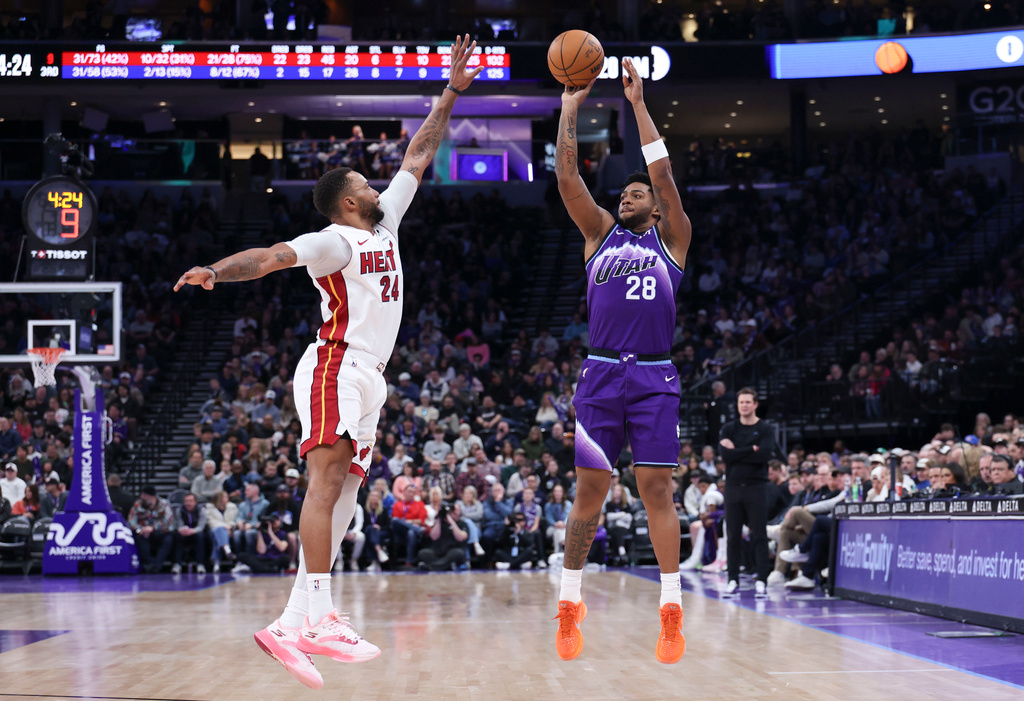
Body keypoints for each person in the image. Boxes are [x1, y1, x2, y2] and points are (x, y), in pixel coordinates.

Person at [176, 34, 485, 690]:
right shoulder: (332, 240)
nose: (378, 186)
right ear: (348, 200)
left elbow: (419, 154)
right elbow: (269, 258)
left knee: (347, 490)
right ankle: (319, 614)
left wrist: (451, 92)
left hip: (371, 376)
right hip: (334, 366)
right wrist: (216, 270)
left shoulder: (386, 223)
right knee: (327, 479)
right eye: (366, 184)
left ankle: (291, 622)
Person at [552, 57, 692, 665]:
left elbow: (663, 174)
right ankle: (568, 602)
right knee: (590, 490)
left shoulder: (673, 238)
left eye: (636, 194)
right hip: (602, 372)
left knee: (656, 488)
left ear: (656, 209)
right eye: (624, 193)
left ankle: (671, 608)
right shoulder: (600, 235)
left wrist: (637, 105)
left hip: (655, 374)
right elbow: (566, 178)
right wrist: (569, 108)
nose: (625, 197)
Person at [718, 388, 777, 599]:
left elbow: (764, 455)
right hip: (733, 486)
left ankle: (762, 580)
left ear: (755, 404)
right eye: (741, 402)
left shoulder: (765, 428)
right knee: (733, 535)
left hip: (756, 487)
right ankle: (732, 579)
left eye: (748, 402)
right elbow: (725, 456)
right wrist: (750, 449)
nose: (744, 405)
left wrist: (736, 451)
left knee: (759, 535)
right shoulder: (728, 428)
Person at [128, 485, 176, 574]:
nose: (142, 497)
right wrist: (140, 530)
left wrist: (152, 528)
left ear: (151, 496)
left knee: (168, 539)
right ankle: (148, 564)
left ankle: (157, 566)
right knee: (139, 538)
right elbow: (131, 520)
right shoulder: (137, 505)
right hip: (143, 532)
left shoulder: (164, 504)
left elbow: (168, 521)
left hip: (161, 532)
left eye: (144, 495)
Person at [172, 492, 208, 574]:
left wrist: (193, 531)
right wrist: (181, 529)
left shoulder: (201, 510)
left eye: (191, 501)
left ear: (195, 502)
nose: (188, 503)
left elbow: (201, 526)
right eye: (186, 501)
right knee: (178, 536)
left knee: (200, 536)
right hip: (184, 531)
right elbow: (179, 524)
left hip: (196, 531)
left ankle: (200, 564)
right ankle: (177, 564)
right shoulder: (179, 510)